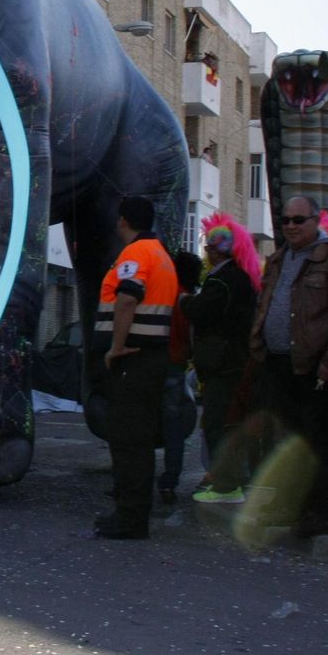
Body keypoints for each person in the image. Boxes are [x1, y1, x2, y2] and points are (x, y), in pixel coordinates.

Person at [246, 194, 328, 538]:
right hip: (278, 364)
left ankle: (315, 513)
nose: (291, 226)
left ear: (316, 221)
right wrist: (258, 346)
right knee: (284, 443)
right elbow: (265, 304)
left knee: (317, 442)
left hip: (315, 368)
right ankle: (286, 507)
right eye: (286, 220)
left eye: (299, 220)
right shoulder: (279, 259)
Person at [92, 196, 179, 540]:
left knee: (127, 441)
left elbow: (127, 297)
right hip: (151, 358)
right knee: (138, 441)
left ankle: (129, 518)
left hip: (133, 360)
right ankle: (132, 514)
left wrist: (115, 346)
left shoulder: (135, 253)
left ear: (123, 221)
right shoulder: (162, 255)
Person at [184, 214, 261, 504]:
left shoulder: (223, 281)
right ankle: (227, 481)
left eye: (209, 248)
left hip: (222, 363)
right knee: (226, 421)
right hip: (232, 361)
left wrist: (184, 301)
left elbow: (201, 311)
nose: (206, 253)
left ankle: (226, 487)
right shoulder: (241, 278)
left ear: (219, 250)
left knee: (219, 422)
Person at [157, 250, 202, 506]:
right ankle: (169, 481)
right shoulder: (188, 301)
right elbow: (192, 339)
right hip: (175, 366)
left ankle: (133, 479)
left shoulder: (163, 293)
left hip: (152, 363)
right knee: (174, 430)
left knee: (142, 425)